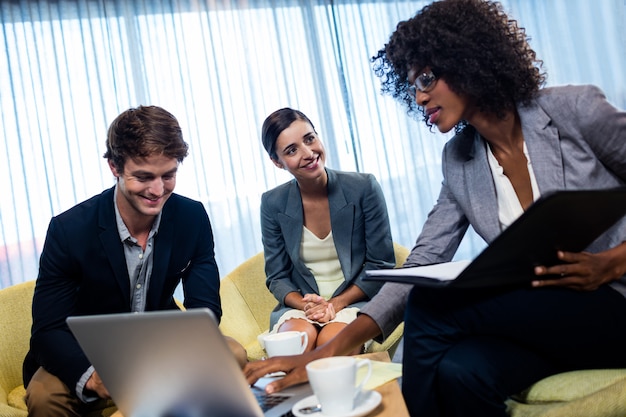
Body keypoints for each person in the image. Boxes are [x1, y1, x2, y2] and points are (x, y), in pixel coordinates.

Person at [245, 1, 626, 416]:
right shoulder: (459, 160)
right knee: (460, 371)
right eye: (412, 86)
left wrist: (613, 261)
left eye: (426, 78)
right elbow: (423, 261)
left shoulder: (573, 110)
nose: (420, 96)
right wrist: (322, 352)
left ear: (467, 59)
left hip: (613, 305)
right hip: (546, 323)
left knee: (430, 305)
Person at [23, 105, 247, 417]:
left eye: (168, 175)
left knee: (234, 354)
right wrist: (95, 379)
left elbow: (205, 308)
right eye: (144, 177)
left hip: (161, 346)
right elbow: (47, 331)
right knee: (44, 397)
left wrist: (178, 362)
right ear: (114, 167)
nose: (158, 191)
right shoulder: (69, 230)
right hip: (84, 352)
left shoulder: (191, 217)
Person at [259, 108, 396, 354]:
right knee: (292, 347)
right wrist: (307, 306)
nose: (308, 153)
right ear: (277, 162)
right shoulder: (272, 203)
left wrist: (336, 304)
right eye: (291, 150)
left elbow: (381, 265)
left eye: (310, 139)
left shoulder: (364, 188)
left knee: (332, 348)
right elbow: (277, 276)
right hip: (303, 307)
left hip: (356, 300)